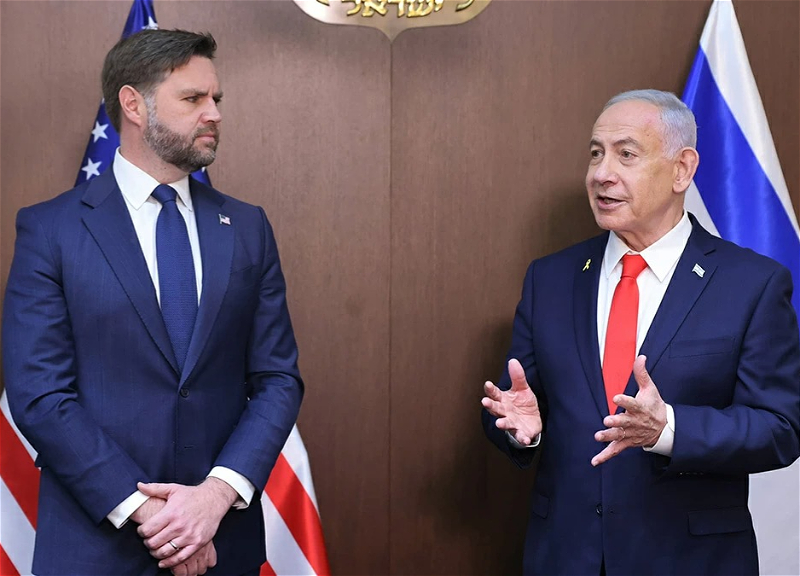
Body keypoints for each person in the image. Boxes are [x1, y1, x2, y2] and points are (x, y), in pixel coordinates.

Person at [2, 29, 303, 576]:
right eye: (193, 98)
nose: (213, 113)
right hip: (97, 548)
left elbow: (278, 379)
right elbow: (40, 395)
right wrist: (157, 518)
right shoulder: (51, 230)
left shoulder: (247, 227)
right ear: (133, 104)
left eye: (216, 98)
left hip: (222, 544)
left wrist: (213, 499)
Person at [481, 89, 800, 576]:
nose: (601, 173)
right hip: (566, 557)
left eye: (626, 154)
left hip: (690, 561)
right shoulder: (550, 278)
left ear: (682, 170)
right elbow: (515, 404)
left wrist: (667, 429)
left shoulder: (752, 284)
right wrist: (522, 431)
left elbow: (780, 429)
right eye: (595, 154)